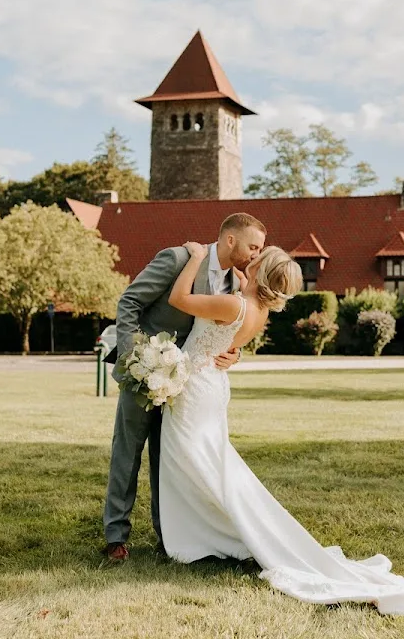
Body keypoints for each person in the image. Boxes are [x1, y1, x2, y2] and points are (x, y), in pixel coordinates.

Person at [157, 241, 404, 620]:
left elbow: (179, 298)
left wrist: (194, 258)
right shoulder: (256, 310)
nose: (249, 261)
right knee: (209, 465)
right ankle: (216, 533)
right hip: (210, 388)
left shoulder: (234, 304)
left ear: (260, 272)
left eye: (255, 260)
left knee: (198, 464)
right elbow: (234, 315)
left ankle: (209, 536)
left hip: (197, 391)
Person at [102, 213, 266, 562]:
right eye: (252, 246)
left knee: (170, 459)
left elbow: (221, 330)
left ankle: (169, 536)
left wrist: (232, 352)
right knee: (127, 452)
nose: (255, 254)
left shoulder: (236, 284)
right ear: (230, 240)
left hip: (188, 387)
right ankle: (116, 534)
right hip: (145, 371)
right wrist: (135, 360)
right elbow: (129, 302)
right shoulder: (178, 259)